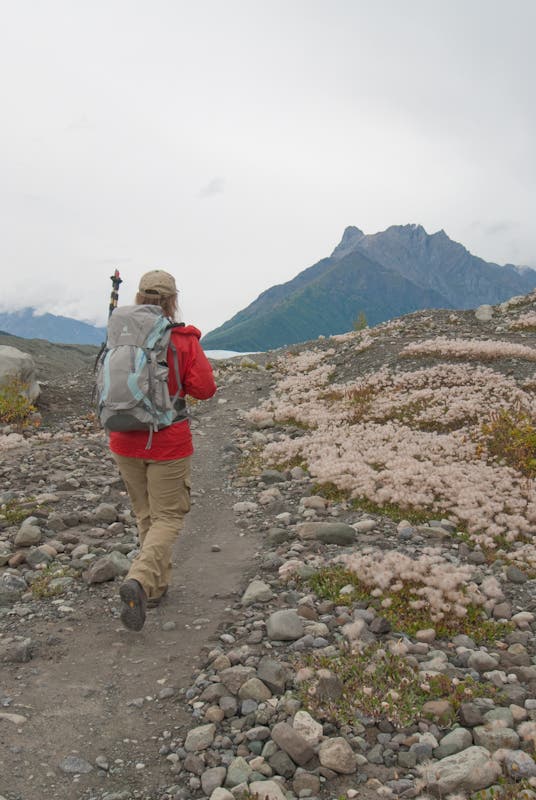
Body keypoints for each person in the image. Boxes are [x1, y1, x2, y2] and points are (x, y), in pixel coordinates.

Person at [109, 269, 216, 631]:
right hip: (167, 441)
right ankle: (140, 580)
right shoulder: (183, 339)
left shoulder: (118, 335)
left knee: (146, 515)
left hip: (123, 439)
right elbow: (204, 389)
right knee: (168, 517)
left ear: (139, 298)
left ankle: (154, 590)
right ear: (172, 301)